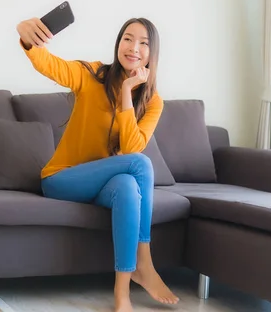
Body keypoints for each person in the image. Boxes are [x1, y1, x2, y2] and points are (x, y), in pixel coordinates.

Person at [16, 16, 179, 312]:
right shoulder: (91, 74)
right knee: (140, 166)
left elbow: (130, 147)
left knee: (129, 185)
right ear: (118, 43)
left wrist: (128, 91)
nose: (134, 48)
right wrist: (28, 39)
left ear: (152, 54)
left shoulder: (153, 102)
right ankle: (145, 262)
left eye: (143, 43)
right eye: (128, 38)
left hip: (104, 186)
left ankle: (122, 294)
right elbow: (50, 64)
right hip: (62, 179)